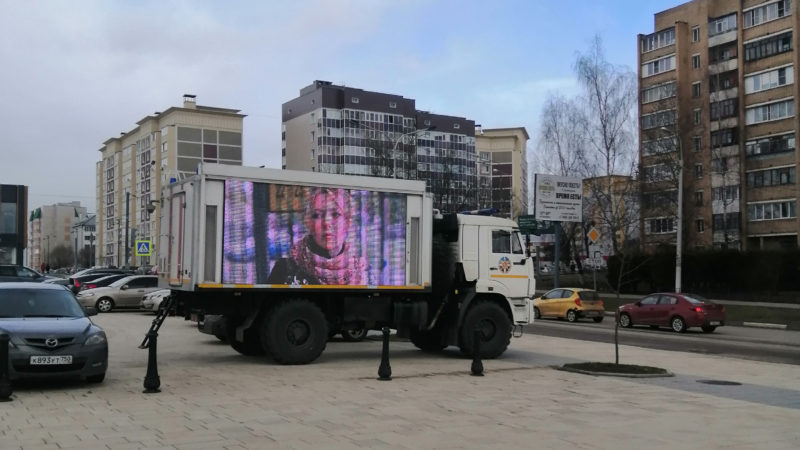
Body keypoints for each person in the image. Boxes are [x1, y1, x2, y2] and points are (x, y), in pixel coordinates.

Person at [267, 187, 369, 285]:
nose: (327, 223)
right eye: (317, 215)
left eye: (335, 214)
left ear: (348, 221)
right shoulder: (285, 271)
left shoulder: (362, 273)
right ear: (309, 223)